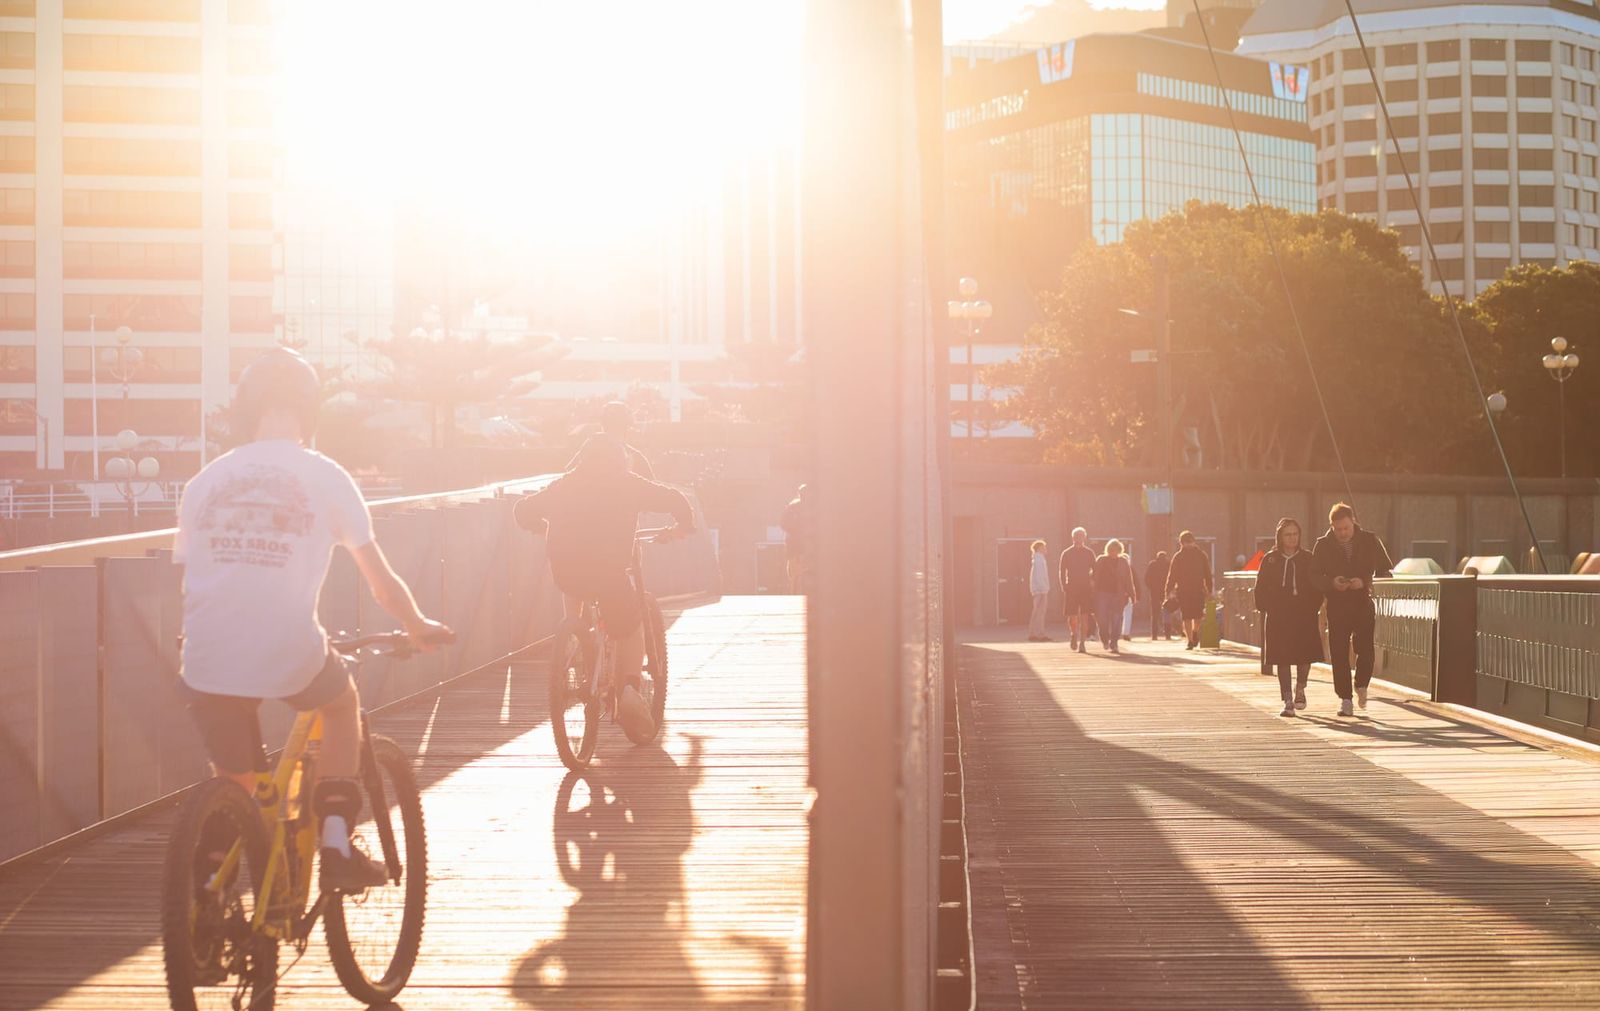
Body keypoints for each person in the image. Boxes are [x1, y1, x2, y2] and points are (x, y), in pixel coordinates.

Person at [175, 347, 451, 892]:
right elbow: (382, 583)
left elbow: (192, 572)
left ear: (246, 409)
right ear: (310, 410)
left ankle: (205, 896)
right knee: (341, 705)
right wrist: (417, 625)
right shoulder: (325, 476)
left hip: (205, 654)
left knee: (238, 780)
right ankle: (335, 843)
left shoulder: (206, 480)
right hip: (289, 649)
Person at [516, 435, 696, 740]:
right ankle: (629, 688)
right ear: (620, 459)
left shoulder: (565, 484)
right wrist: (682, 527)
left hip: (567, 571)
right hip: (608, 574)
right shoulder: (628, 483)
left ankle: (576, 642)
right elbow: (676, 500)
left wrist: (542, 528)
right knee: (630, 625)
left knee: (576, 585)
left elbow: (523, 510)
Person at [1311, 502, 1394, 717]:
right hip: (1337, 605)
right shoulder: (1322, 545)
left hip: (1362, 602)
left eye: (1346, 528)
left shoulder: (1369, 539)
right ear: (1332, 526)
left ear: (1353, 522)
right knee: (1338, 652)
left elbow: (1385, 569)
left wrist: (1365, 581)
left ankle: (1362, 684)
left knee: (1365, 648)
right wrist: (1332, 583)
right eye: (1338, 529)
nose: (1342, 533)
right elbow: (1314, 575)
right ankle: (1345, 699)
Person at [1254, 518, 1323, 717]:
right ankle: (1287, 699)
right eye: (1287, 534)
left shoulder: (1308, 558)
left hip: (1303, 613)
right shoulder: (1270, 559)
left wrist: (1313, 607)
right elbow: (1261, 585)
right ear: (1280, 537)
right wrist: (1265, 606)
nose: (1292, 538)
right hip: (1278, 614)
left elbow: (1317, 585)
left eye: (1295, 534)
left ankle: (1300, 687)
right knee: (1281, 657)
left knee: (1304, 655)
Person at [567, 400, 654, 478]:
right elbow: (653, 490)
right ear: (628, 426)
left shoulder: (589, 447)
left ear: (602, 424)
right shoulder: (635, 457)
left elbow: (568, 473)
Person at [1165, 530, 1213, 649]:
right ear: (1181, 543)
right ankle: (1190, 641)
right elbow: (1172, 575)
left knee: (1197, 615)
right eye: (1186, 543)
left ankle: (1195, 632)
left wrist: (1209, 588)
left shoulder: (1201, 555)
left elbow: (1207, 573)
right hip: (1183, 591)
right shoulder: (1178, 557)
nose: (1188, 544)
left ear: (1193, 542)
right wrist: (1168, 589)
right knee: (1186, 616)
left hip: (1198, 590)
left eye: (1189, 542)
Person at [1092, 539, 1137, 653]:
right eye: (1112, 550)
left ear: (1119, 550)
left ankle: (1114, 642)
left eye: (1116, 550)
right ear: (1108, 550)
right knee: (1102, 618)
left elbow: (1128, 579)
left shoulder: (1123, 562)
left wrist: (1132, 594)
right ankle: (1105, 639)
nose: (1114, 552)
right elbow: (1094, 576)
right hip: (1102, 594)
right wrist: (1092, 592)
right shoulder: (1101, 560)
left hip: (1118, 595)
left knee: (1117, 619)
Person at [1058, 527, 1095, 652]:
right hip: (1072, 588)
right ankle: (1074, 634)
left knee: (1085, 616)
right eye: (1076, 536)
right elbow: (1062, 571)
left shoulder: (1089, 553)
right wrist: (1064, 586)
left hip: (1085, 588)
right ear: (1072, 538)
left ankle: (1083, 643)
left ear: (1084, 538)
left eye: (1081, 536)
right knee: (1072, 616)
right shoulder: (1066, 553)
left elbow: (1095, 570)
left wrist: (1093, 583)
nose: (1079, 539)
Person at [781, 484, 813, 593]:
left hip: (802, 547)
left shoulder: (795, 507)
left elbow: (783, 523)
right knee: (795, 574)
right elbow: (784, 523)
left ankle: (797, 593)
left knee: (798, 575)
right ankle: (795, 594)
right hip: (798, 547)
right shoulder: (794, 507)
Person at [1027, 539, 1052, 642]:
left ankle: (1034, 633)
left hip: (1040, 588)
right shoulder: (1039, 559)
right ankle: (1039, 634)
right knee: (1040, 611)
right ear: (1039, 548)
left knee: (1037, 611)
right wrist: (1043, 589)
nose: (1046, 549)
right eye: (1044, 547)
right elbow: (1038, 575)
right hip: (1041, 589)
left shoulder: (1038, 558)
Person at [1144, 549, 1172, 640]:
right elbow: (1172, 577)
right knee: (1167, 612)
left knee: (1154, 614)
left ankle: (1154, 635)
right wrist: (1170, 589)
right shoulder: (1168, 564)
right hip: (1165, 591)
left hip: (1154, 592)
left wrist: (1151, 587)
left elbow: (1147, 578)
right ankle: (1167, 635)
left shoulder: (1152, 565)